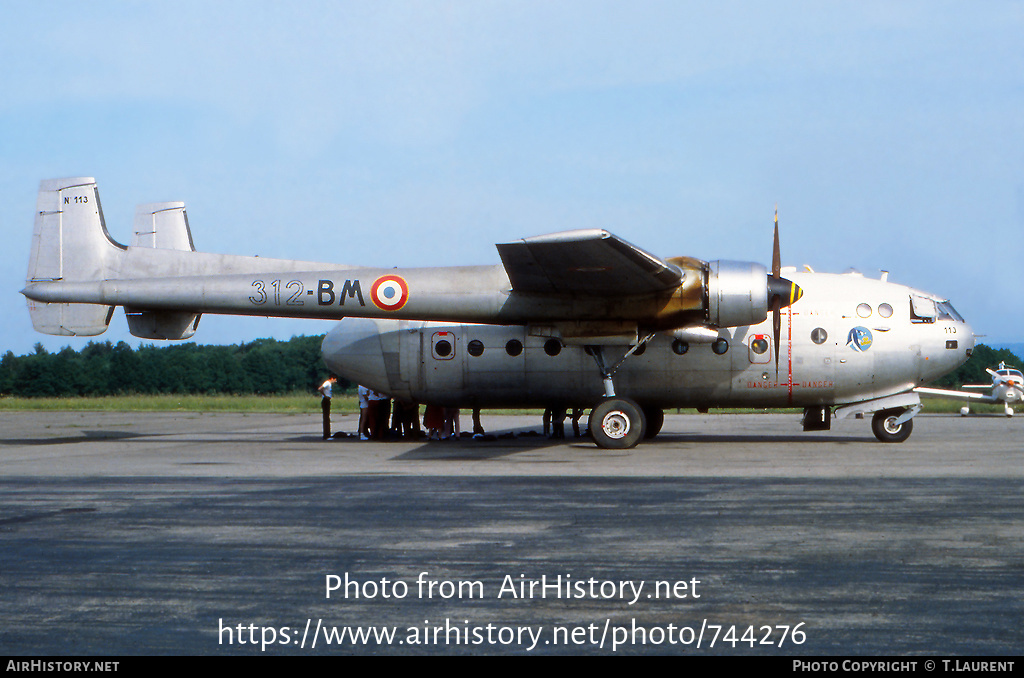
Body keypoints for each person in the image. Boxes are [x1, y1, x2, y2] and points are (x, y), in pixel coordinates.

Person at [318, 375, 338, 439]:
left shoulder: (329, 384)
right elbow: (320, 388)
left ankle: (327, 433)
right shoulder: (327, 383)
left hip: (327, 400)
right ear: (332, 378)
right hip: (325, 400)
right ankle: (326, 435)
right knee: (326, 418)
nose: (335, 381)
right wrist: (325, 395)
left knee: (327, 417)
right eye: (335, 380)